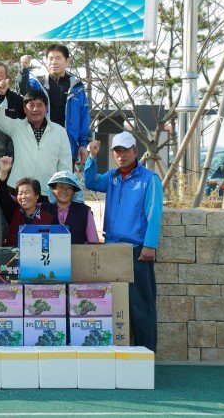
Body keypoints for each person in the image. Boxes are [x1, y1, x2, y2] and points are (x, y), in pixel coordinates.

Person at [84, 131, 162, 352]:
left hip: (136, 250)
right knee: (113, 303)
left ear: (135, 151)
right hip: (112, 249)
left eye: (126, 150)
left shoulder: (149, 178)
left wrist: (150, 245)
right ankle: (116, 354)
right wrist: (92, 157)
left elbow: (154, 213)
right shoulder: (112, 177)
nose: (121, 155)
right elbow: (90, 181)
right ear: (113, 154)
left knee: (141, 306)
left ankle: (146, 355)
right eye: (117, 151)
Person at [0, 83, 72, 193]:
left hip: (47, 190)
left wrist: (63, 187)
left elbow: (65, 163)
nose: (35, 109)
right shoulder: (17, 127)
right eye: (31, 105)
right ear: (25, 109)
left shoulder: (59, 131)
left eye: (39, 105)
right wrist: (1, 95)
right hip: (18, 189)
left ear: (46, 108)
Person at [18, 44, 90, 165]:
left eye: (58, 58)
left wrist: (83, 144)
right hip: (41, 146)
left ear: (67, 61)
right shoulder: (38, 84)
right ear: (46, 62)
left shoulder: (78, 88)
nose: (54, 62)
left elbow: (84, 117)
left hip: (68, 147)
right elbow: (23, 92)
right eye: (50, 58)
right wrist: (24, 70)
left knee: (64, 178)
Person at [0, 156, 56, 247]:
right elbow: (2, 195)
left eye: (27, 193)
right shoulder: (13, 212)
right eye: (20, 193)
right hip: (13, 255)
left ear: (37, 195)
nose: (23, 197)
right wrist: (3, 172)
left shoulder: (48, 217)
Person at [41, 171, 99, 244]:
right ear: (53, 190)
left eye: (69, 188)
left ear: (74, 192)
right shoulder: (43, 209)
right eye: (60, 187)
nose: (64, 191)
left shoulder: (84, 211)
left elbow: (93, 241)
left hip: (78, 251)